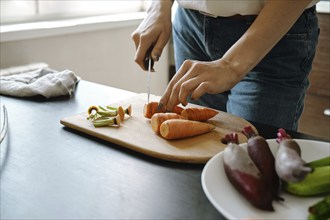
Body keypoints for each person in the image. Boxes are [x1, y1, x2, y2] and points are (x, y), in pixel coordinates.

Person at [132, 0, 320, 131]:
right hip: (190, 26)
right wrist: (159, 6)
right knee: (193, 152)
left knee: (252, 162)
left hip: (271, 33)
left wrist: (231, 65)